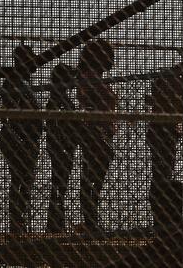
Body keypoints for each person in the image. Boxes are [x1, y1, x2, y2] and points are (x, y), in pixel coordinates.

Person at [0, 44, 43, 234]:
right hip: (19, 137)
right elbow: (13, 112)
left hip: (23, 137)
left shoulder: (19, 83)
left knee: (22, 180)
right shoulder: (15, 83)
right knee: (20, 179)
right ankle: (17, 223)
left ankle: (18, 222)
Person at [77, 39, 117, 232]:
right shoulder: (91, 77)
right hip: (96, 131)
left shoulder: (91, 77)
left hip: (99, 130)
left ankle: (91, 219)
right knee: (92, 175)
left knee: (92, 175)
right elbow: (91, 103)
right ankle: (90, 220)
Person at [146, 75, 183, 228]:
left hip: (163, 136)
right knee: (161, 176)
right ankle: (163, 219)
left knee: (162, 176)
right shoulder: (167, 100)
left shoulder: (164, 100)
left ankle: (162, 219)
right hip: (163, 137)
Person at [46, 63, 79, 232]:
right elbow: (56, 125)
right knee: (59, 184)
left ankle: (55, 221)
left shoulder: (58, 98)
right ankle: (55, 222)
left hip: (60, 146)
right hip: (61, 147)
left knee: (59, 184)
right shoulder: (59, 100)